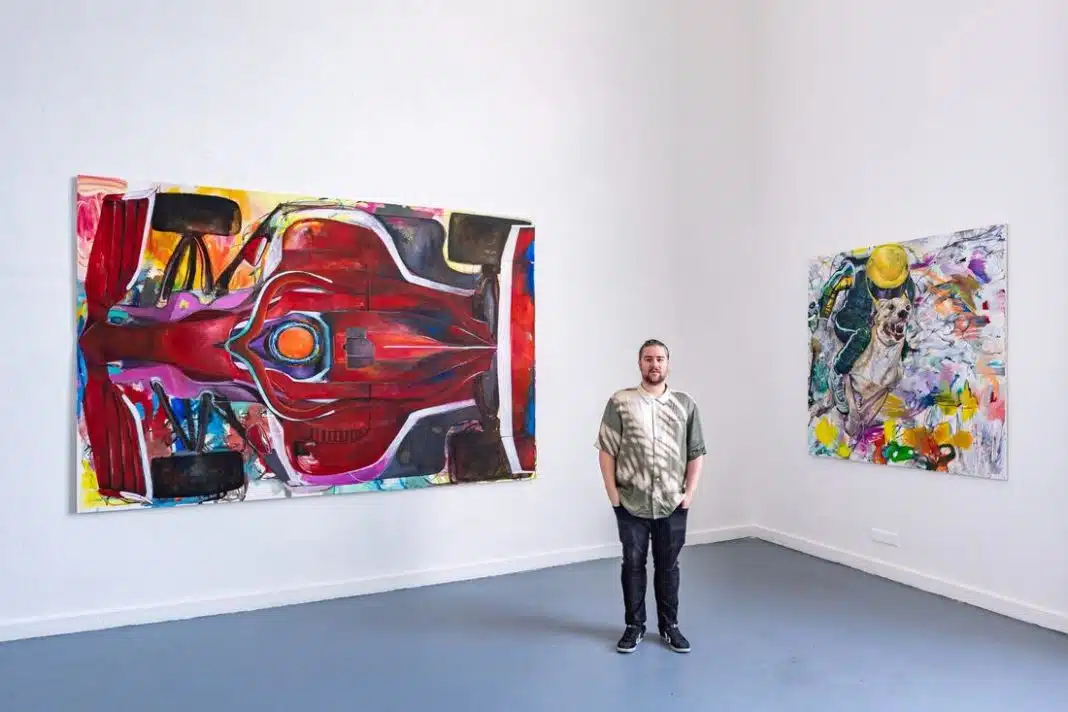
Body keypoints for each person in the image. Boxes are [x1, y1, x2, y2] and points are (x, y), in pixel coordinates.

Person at [595, 339, 706, 653]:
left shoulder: (685, 404)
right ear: (639, 363)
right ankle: (634, 626)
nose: (654, 364)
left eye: (659, 359)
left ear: (667, 364)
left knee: (668, 566)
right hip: (631, 502)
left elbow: (696, 452)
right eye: (648, 359)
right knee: (632, 564)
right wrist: (613, 495)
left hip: (672, 502)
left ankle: (670, 627)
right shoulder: (620, 402)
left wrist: (689, 493)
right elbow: (607, 450)